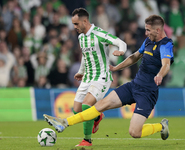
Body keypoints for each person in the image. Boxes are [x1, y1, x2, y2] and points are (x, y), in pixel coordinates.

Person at [44, 14, 174, 143]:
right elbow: (135, 56)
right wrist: (117, 67)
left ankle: (161, 126)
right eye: (145, 29)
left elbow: (166, 64)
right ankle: (64, 122)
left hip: (147, 93)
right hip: (134, 85)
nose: (146, 33)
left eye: (148, 30)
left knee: (134, 132)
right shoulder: (148, 41)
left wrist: (160, 75)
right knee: (100, 105)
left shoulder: (166, 45)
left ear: (157, 30)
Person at [45, 7, 127, 147]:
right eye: (73, 24)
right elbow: (85, 55)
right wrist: (81, 70)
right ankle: (97, 115)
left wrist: (121, 51)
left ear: (84, 21)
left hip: (102, 76)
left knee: (86, 105)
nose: (74, 27)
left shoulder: (99, 34)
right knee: (77, 110)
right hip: (87, 77)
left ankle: (87, 141)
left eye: (76, 24)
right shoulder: (81, 37)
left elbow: (121, 42)